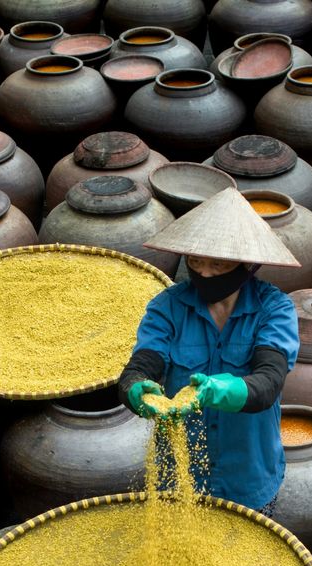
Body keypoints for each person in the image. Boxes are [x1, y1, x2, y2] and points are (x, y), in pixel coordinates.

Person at [118, 188, 300, 515]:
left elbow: (268, 382)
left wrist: (215, 391)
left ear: (248, 265)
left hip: (247, 479)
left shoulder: (274, 309)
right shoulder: (168, 307)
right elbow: (144, 364)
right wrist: (135, 388)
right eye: (196, 262)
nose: (205, 273)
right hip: (177, 479)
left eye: (218, 264)